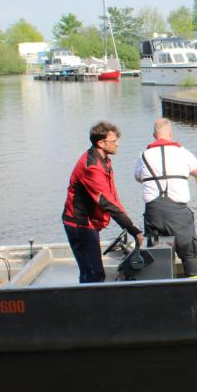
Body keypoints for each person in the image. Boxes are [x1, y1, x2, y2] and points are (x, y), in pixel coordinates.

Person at [62, 121, 144, 283]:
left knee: (94, 272)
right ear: (101, 143)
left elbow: (113, 197)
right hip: (79, 225)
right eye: (114, 142)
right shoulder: (92, 167)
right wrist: (133, 230)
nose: (117, 144)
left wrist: (130, 224)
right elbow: (107, 203)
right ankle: (87, 306)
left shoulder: (104, 160)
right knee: (93, 274)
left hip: (89, 224)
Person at [134, 118, 197, 278]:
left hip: (153, 215)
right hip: (178, 215)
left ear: (154, 135)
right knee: (190, 254)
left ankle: (162, 290)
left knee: (159, 257)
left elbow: (138, 177)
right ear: (171, 134)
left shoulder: (143, 155)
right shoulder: (182, 152)